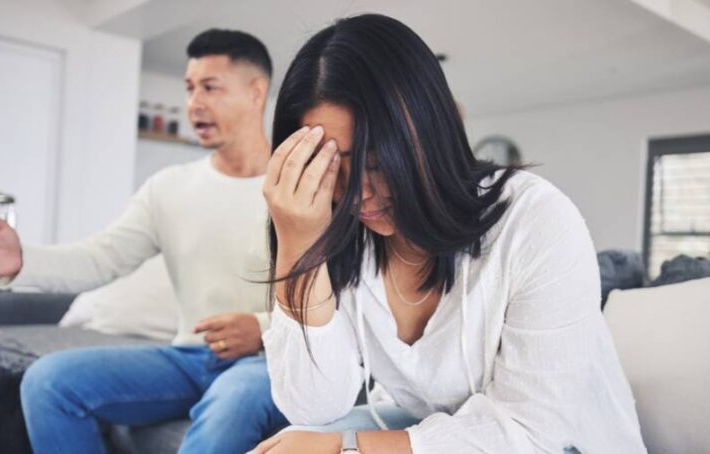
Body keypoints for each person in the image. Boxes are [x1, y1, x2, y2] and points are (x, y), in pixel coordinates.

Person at [250, 14, 646, 454]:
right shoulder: (340, 231)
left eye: (378, 162)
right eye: (331, 167)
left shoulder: (537, 219)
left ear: (429, 133)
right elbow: (312, 405)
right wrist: (299, 247)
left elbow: (532, 433)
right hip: (446, 430)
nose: (357, 193)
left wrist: (344, 448)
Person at [0, 29, 287, 454]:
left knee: (232, 402)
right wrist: (21, 260)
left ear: (256, 92)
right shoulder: (169, 187)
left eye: (211, 88)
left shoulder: (297, 186)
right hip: (188, 359)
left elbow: (344, 297)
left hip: (270, 364)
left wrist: (262, 328)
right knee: (49, 382)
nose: (195, 103)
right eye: (190, 88)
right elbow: (102, 258)